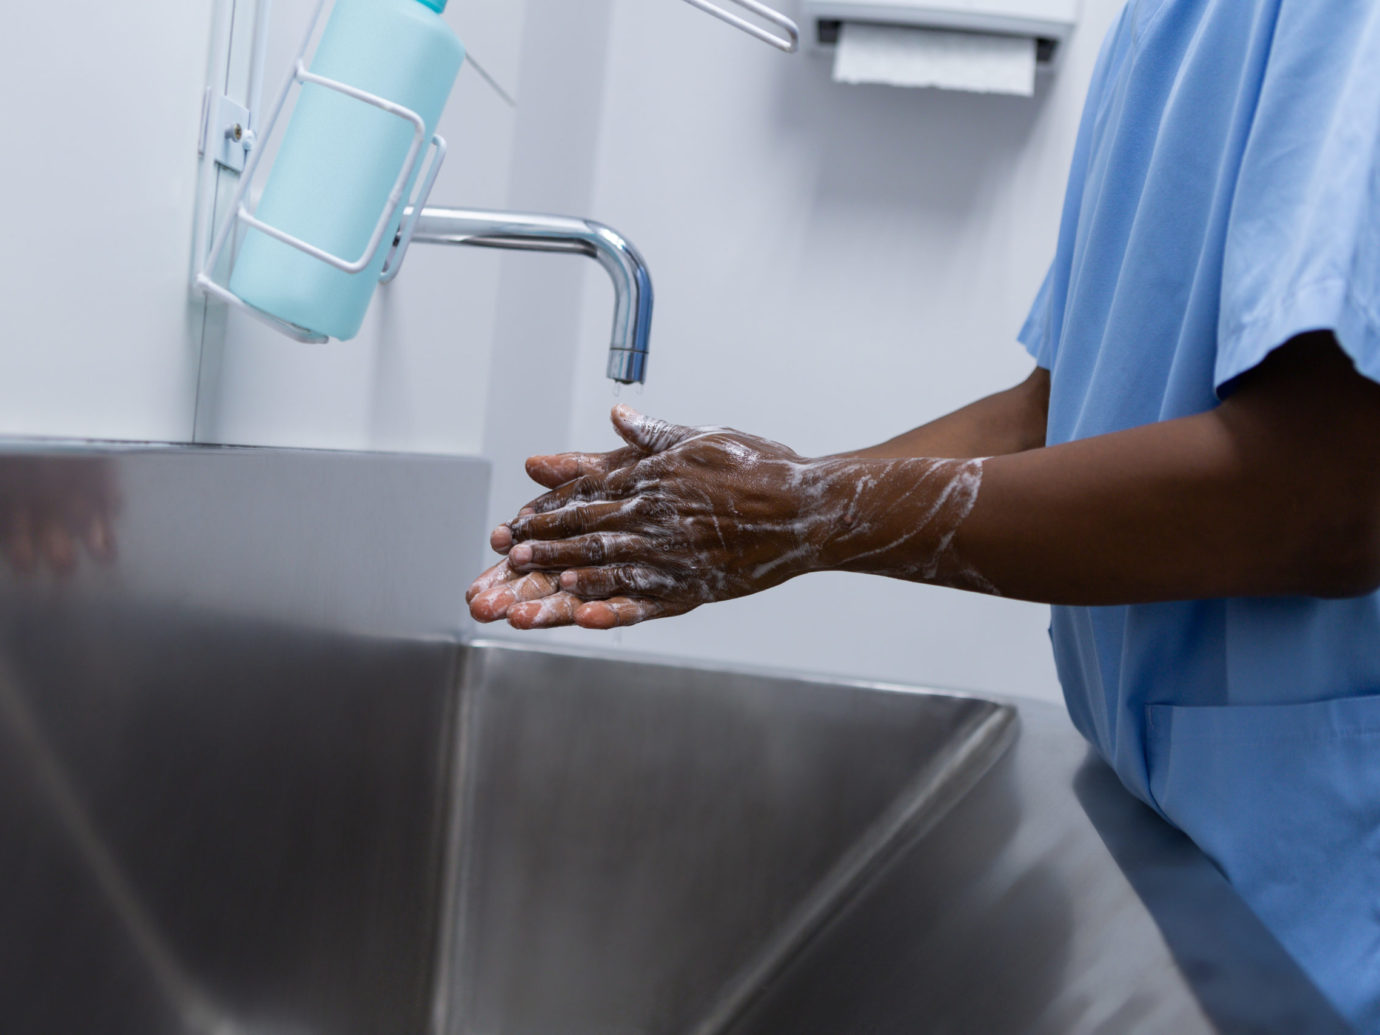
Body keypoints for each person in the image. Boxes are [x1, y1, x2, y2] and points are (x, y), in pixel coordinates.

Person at [469, 0, 1380, 1026]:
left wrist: (800, 513)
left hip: (1324, 892)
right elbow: (1056, 405)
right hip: (1190, 838)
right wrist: (767, 506)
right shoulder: (1164, 21)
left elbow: (1322, 498)